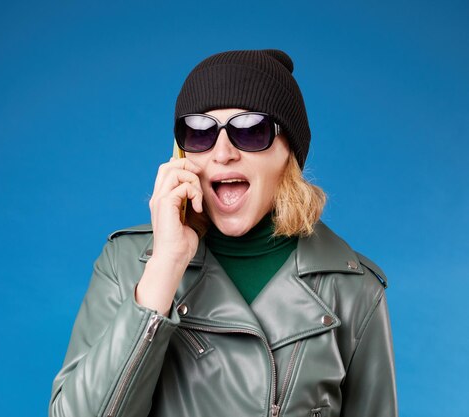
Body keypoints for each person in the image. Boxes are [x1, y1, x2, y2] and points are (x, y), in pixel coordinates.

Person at [48, 49, 398, 417]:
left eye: (251, 130)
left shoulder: (354, 288)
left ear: (288, 152)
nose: (223, 152)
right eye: (200, 133)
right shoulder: (125, 265)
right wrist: (165, 266)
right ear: (181, 154)